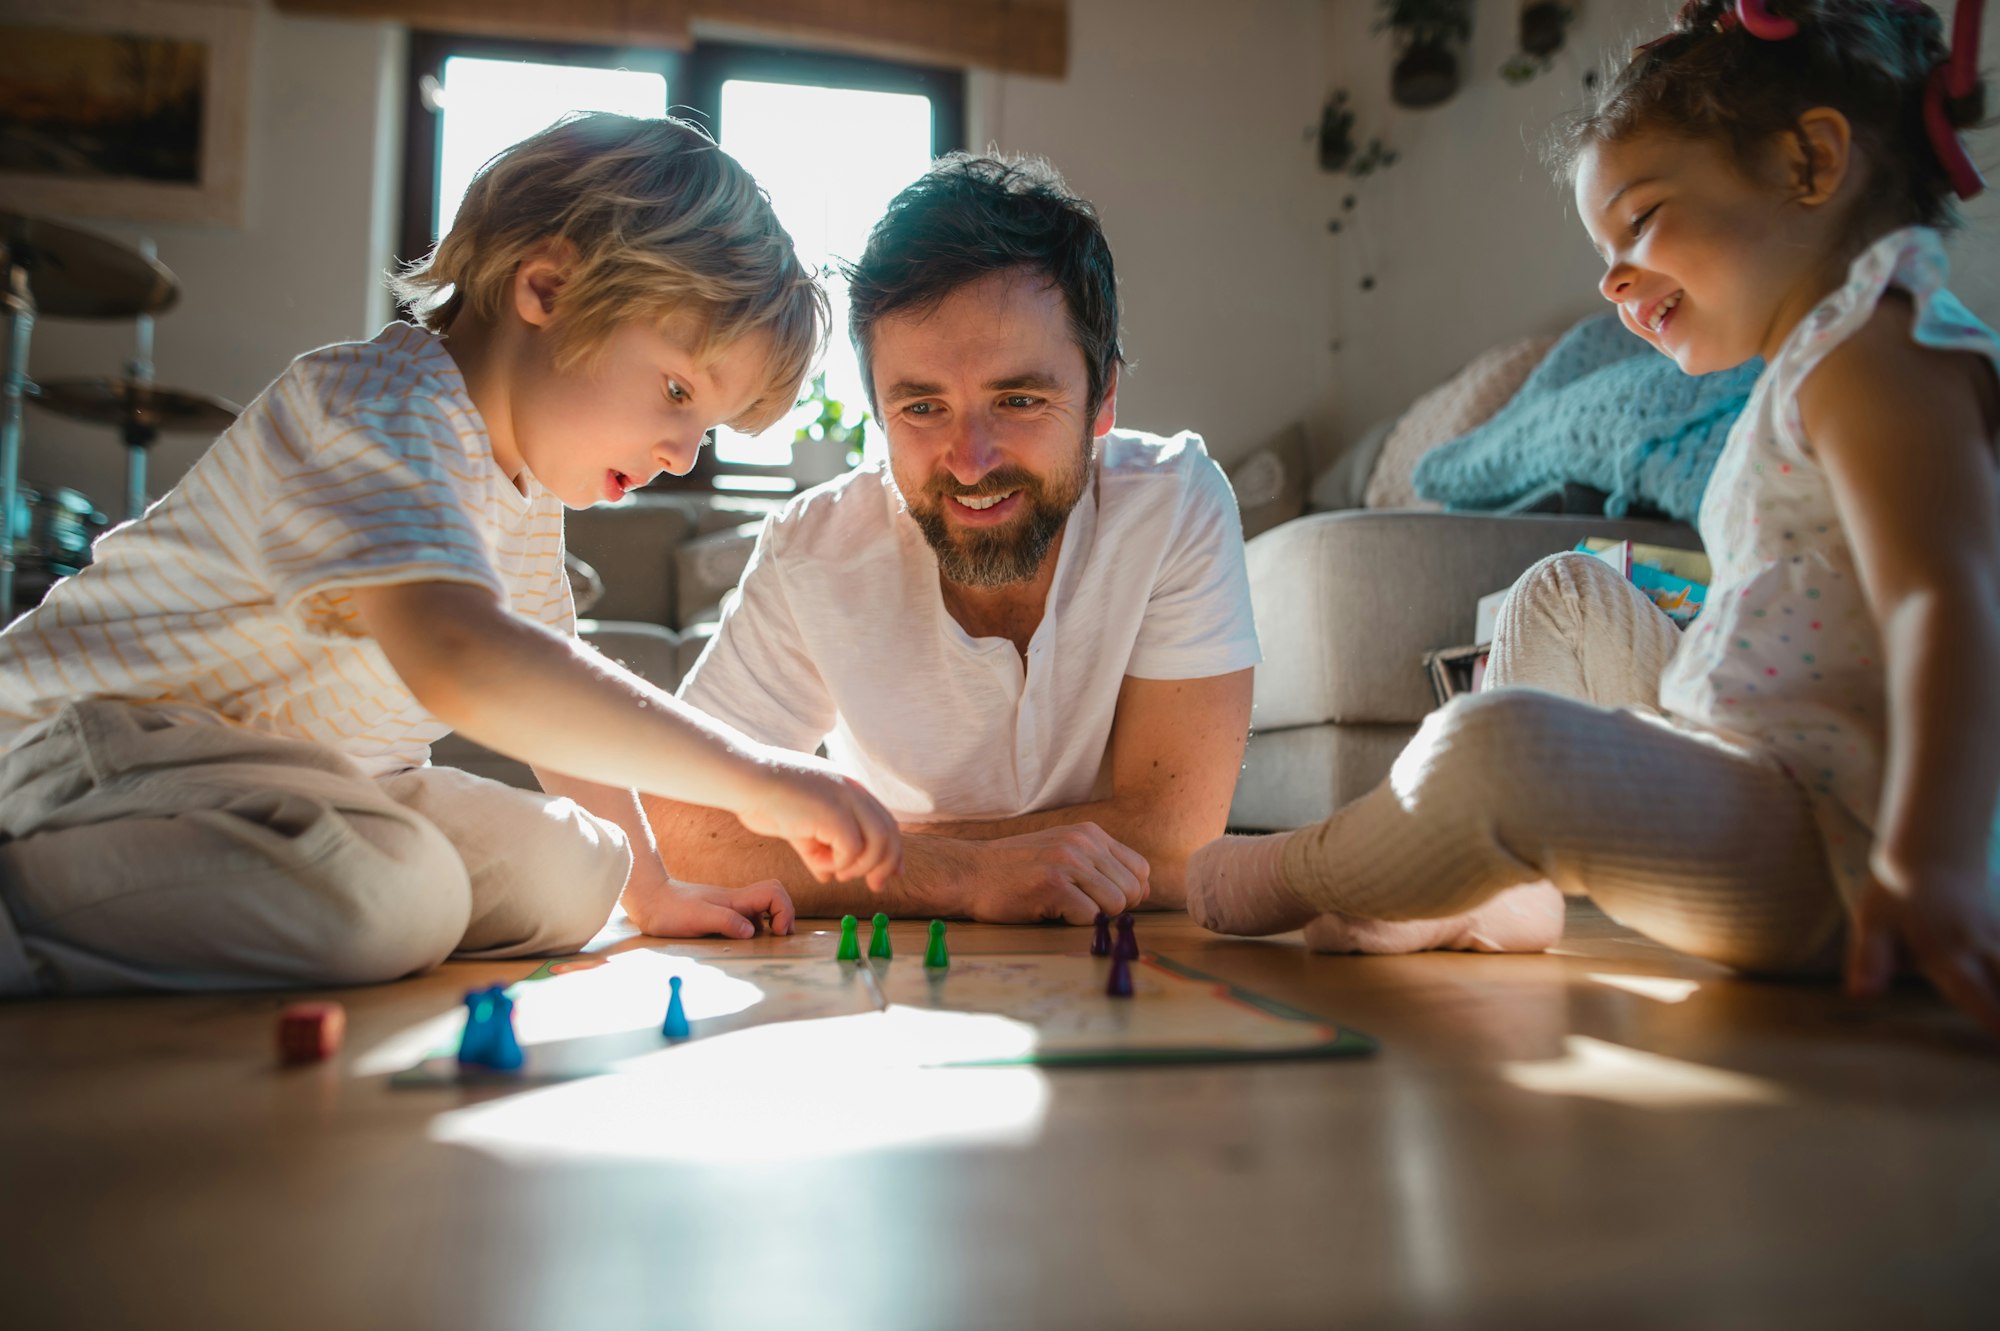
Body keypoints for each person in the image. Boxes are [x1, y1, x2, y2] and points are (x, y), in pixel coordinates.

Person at [1185, 0, 2000, 1035]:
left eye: (1642, 218)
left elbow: (1946, 601)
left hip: (1840, 850)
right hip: (1777, 770)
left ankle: (1310, 865)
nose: (1611, 279)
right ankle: (1491, 889)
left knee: (1496, 744)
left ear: (1808, 162)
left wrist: (1925, 860)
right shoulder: (1825, 357)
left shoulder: (1876, 356)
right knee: (1565, 592)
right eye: (1604, 245)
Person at [0, 113, 901, 997]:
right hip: (89, 754)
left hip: (312, 782)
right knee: (396, 900)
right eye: (675, 390)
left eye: (702, 427)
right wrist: (756, 778)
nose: (681, 453)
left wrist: (653, 890)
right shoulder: (378, 407)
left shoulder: (521, 487)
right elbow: (462, 658)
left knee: (580, 871)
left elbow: (555, 691)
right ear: (546, 289)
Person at [641, 154, 1261, 924]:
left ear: (1102, 397)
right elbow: (681, 821)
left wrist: (891, 858)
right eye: (923, 408)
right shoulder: (812, 552)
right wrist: (962, 873)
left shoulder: (1176, 505)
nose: (970, 461)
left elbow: (1172, 837)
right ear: (877, 414)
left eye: (1020, 398)